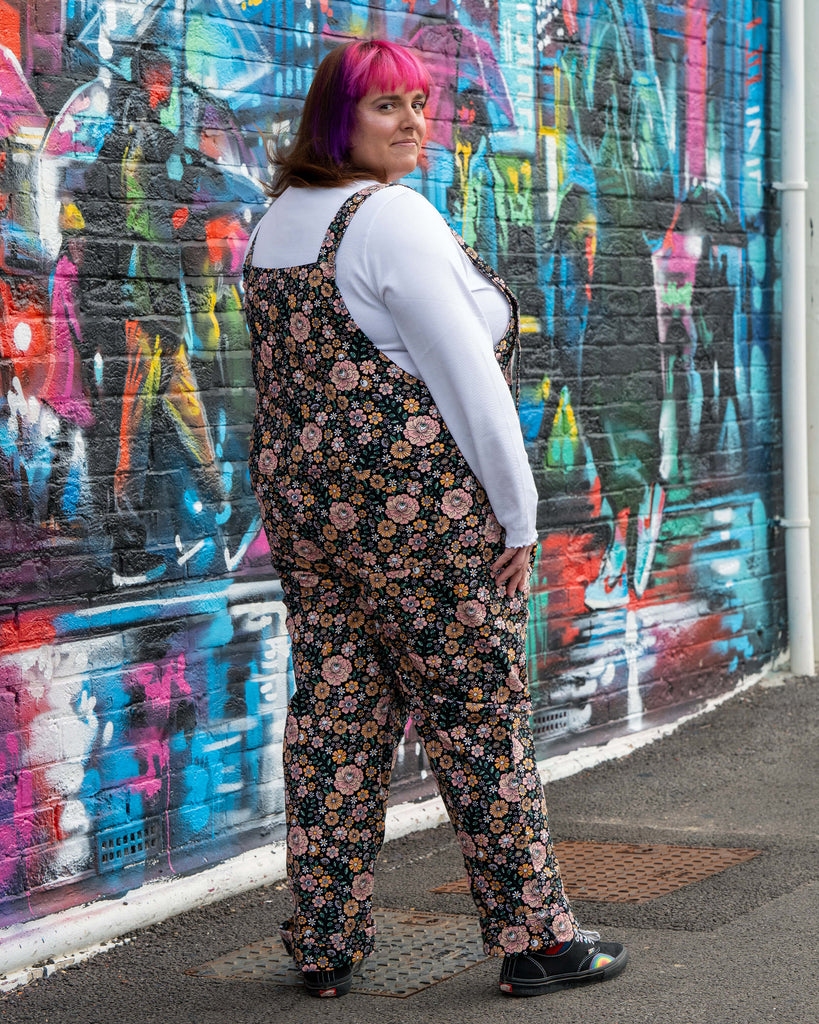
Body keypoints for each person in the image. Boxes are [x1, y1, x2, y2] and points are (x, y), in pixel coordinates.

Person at [243, 38, 628, 999]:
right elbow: (467, 383)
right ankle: (535, 939)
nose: (414, 123)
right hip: (420, 514)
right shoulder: (389, 217)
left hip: (309, 511)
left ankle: (324, 941)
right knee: (479, 718)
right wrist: (519, 514)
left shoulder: (274, 225)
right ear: (339, 120)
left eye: (420, 104)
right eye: (387, 107)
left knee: (335, 719)